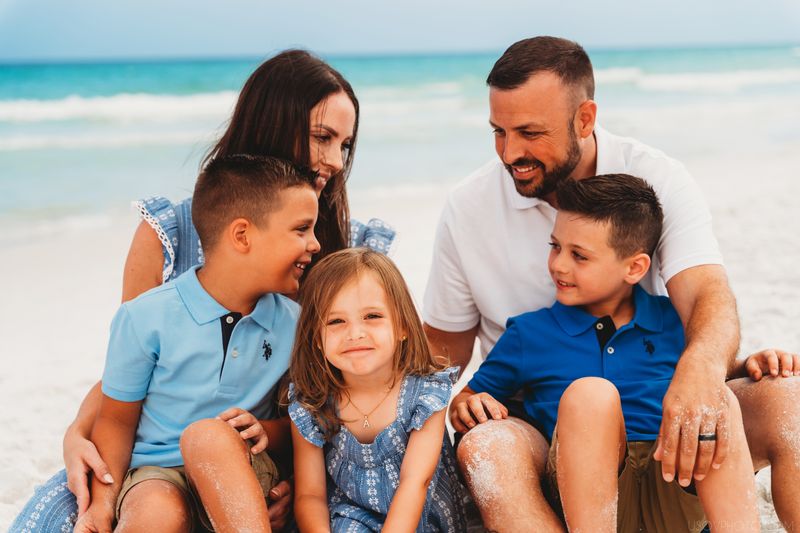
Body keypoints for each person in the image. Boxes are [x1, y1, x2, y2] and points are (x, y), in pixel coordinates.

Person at [422, 36, 800, 530]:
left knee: (785, 399)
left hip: (666, 450)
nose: (510, 152)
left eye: (530, 132)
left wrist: (714, 369)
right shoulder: (468, 208)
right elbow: (440, 356)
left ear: (584, 119)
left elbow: (707, 296)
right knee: (491, 445)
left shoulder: (655, 180)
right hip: (542, 433)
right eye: (498, 131)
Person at [11, 50, 394, 533]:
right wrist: (76, 434)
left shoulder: (342, 251)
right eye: (323, 138)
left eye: (346, 145)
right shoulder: (170, 232)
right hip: (156, 464)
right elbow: (130, 375)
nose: (336, 162)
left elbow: (346, 396)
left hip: (288, 460)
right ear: (272, 124)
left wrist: (300, 476)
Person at [450, 174, 759, 533]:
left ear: (635, 268)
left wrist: (753, 366)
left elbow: (713, 375)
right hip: (587, 501)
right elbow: (470, 397)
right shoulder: (530, 334)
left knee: (718, 398)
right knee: (590, 395)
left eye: (579, 255)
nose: (559, 265)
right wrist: (467, 405)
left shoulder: (674, 322)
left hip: (677, 482)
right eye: (555, 246)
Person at [74, 155, 320, 532]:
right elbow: (115, 421)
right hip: (157, 472)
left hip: (241, 470)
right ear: (242, 236)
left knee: (206, 436)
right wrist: (102, 505)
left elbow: (303, 423)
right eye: (302, 229)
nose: (315, 244)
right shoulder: (144, 317)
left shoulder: (295, 324)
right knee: (153, 510)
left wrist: (266, 432)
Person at [287, 248, 468, 532]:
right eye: (336, 321)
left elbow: (415, 482)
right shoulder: (312, 403)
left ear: (403, 327)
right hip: (351, 515)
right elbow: (310, 495)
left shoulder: (425, 393)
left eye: (372, 316)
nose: (355, 333)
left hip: (419, 516)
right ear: (316, 339)